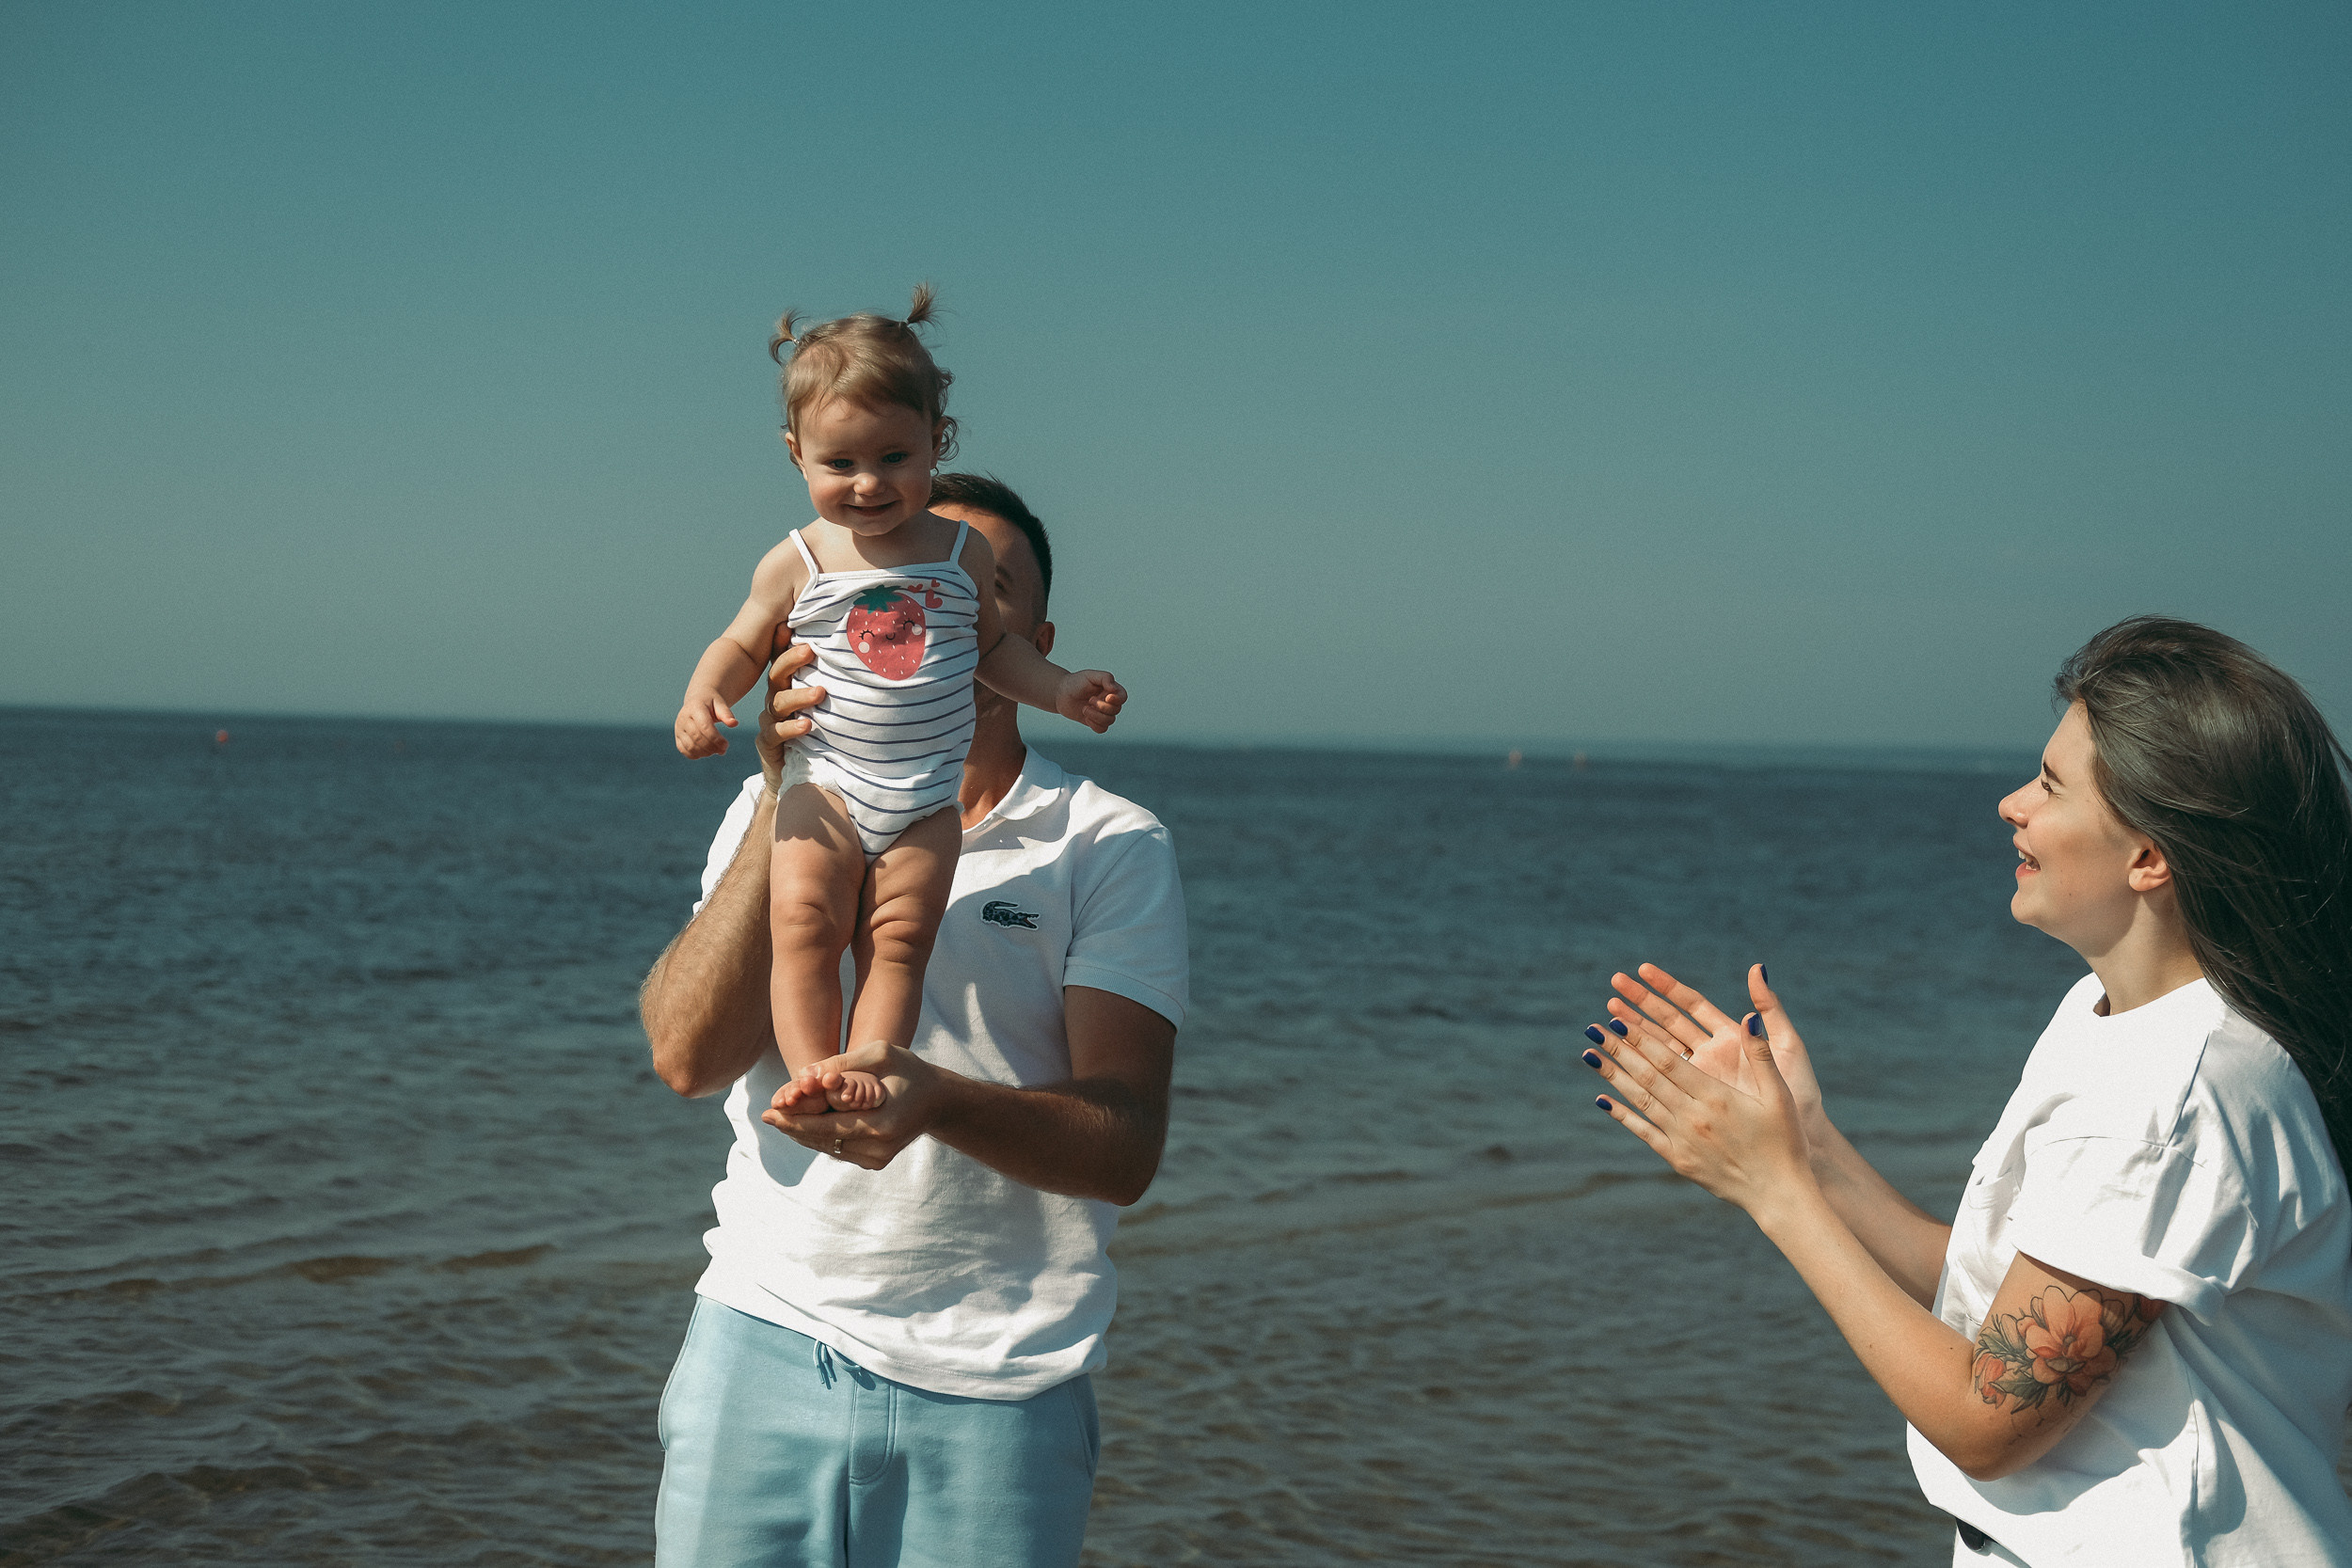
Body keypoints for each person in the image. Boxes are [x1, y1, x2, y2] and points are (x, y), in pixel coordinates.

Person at [1578, 616, 2352, 1566]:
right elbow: (2005, 1302)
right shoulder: (2109, 1014)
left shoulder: (2176, 1088)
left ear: (2150, 857)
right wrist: (1812, 1144)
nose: (2008, 804)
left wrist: (1772, 1188)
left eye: (2051, 786)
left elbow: (1989, 1417)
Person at [640, 471, 1188, 1568]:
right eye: (890, 582)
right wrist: (786, 788)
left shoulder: (1108, 841)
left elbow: (1124, 1144)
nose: (919, 606)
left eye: (967, 586)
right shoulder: (770, 807)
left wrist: (935, 1100)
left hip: (1001, 1380)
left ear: (1025, 631)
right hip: (760, 1333)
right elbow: (686, 1053)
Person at [674, 289, 1124, 1113]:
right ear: (795, 456)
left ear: (935, 442)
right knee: (803, 927)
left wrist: (1061, 689)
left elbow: (994, 651)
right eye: (839, 464)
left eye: (894, 457)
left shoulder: (961, 552)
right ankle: (815, 1067)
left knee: (901, 941)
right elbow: (742, 641)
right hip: (826, 788)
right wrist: (705, 696)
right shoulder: (800, 559)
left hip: (923, 800)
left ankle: (871, 1069)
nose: (869, 483)